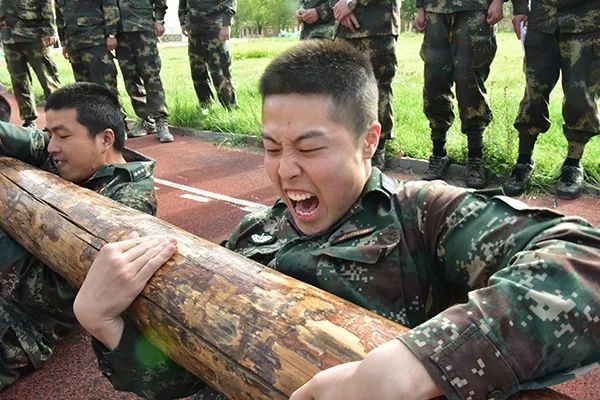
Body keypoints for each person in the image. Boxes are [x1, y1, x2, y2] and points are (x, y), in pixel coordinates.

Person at [74, 41, 599, 400]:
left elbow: (585, 258)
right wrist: (106, 325)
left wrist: (417, 363)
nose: (285, 169)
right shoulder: (251, 235)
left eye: (309, 147)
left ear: (369, 141)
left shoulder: (422, 216)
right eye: (271, 147)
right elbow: (189, 374)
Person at [0, 83, 157, 389]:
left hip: (19, 323)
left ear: (105, 139)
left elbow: (53, 293)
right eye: (50, 134)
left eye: (62, 135)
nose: (50, 147)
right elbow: (23, 139)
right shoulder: (72, 158)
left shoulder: (127, 208)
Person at [502, 0, 600, 199]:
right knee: (533, 92)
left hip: (587, 22)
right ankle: (523, 160)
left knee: (579, 97)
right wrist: (520, 9)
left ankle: (573, 163)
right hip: (542, 20)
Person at [413, 0, 507, 188]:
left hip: (474, 10)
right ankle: (439, 153)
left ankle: (475, 157)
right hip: (435, 12)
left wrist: (498, 1)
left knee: (469, 83)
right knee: (434, 82)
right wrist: (420, 7)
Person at [331, 0, 399, 169]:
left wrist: (350, 3)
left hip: (377, 25)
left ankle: (377, 147)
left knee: (378, 86)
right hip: (345, 28)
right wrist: (340, 8)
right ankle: (349, 143)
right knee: (343, 89)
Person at [116, 0, 174, 142]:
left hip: (143, 27)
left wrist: (159, 20)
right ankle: (147, 121)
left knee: (151, 75)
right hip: (120, 30)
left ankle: (160, 120)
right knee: (130, 77)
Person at [0, 0, 61, 128]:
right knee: (19, 80)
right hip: (9, 36)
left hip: (34, 35)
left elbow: (46, 3)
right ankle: (29, 119)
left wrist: (49, 30)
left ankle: (58, 118)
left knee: (48, 80)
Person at [179, 0, 237, 110]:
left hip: (215, 28)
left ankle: (230, 107)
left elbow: (230, 1)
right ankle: (205, 106)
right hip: (194, 30)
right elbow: (182, 3)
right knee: (198, 72)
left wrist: (226, 24)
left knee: (220, 71)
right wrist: (183, 21)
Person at [55, 0, 120, 97]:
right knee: (84, 91)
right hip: (74, 45)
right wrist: (64, 43)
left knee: (105, 87)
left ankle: (114, 112)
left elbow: (109, 6)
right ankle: (90, 112)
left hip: (95, 42)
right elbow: (60, 17)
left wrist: (111, 34)